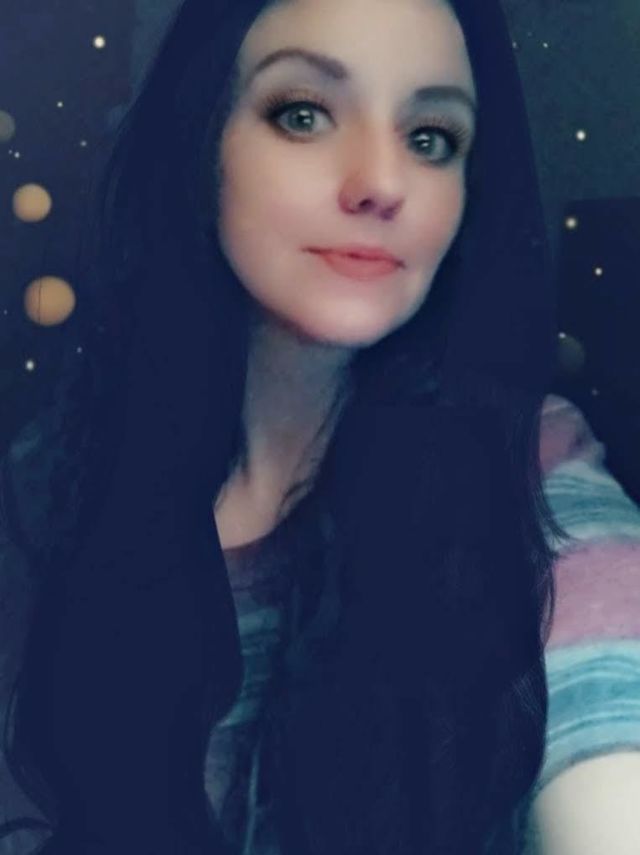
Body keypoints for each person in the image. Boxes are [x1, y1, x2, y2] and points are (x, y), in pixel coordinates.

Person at [0, 0, 569, 852]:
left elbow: (609, 698)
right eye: (302, 114)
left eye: (431, 138)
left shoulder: (537, 464)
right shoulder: (53, 478)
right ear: (203, 142)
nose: (381, 181)